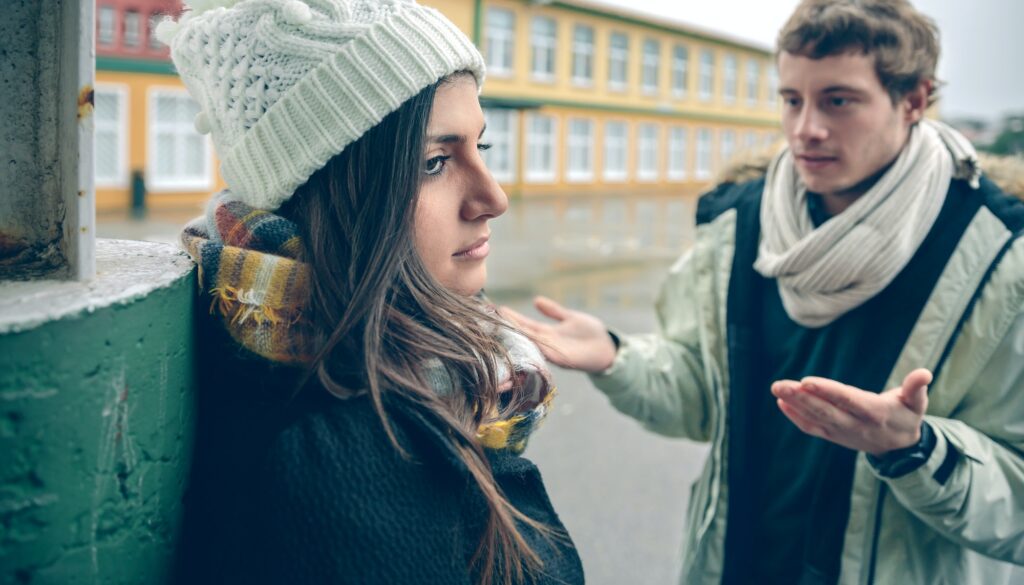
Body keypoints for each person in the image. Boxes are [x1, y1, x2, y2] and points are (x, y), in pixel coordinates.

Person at [505, 0, 1024, 583]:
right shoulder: (737, 226)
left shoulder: (1000, 258)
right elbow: (705, 401)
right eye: (792, 99)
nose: (807, 129)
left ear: (913, 101)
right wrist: (619, 356)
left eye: (838, 101)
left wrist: (917, 450)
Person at [158, 1, 583, 584]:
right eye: (434, 162)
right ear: (331, 191)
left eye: (480, 149)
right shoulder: (353, 453)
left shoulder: (392, 372)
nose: (493, 197)